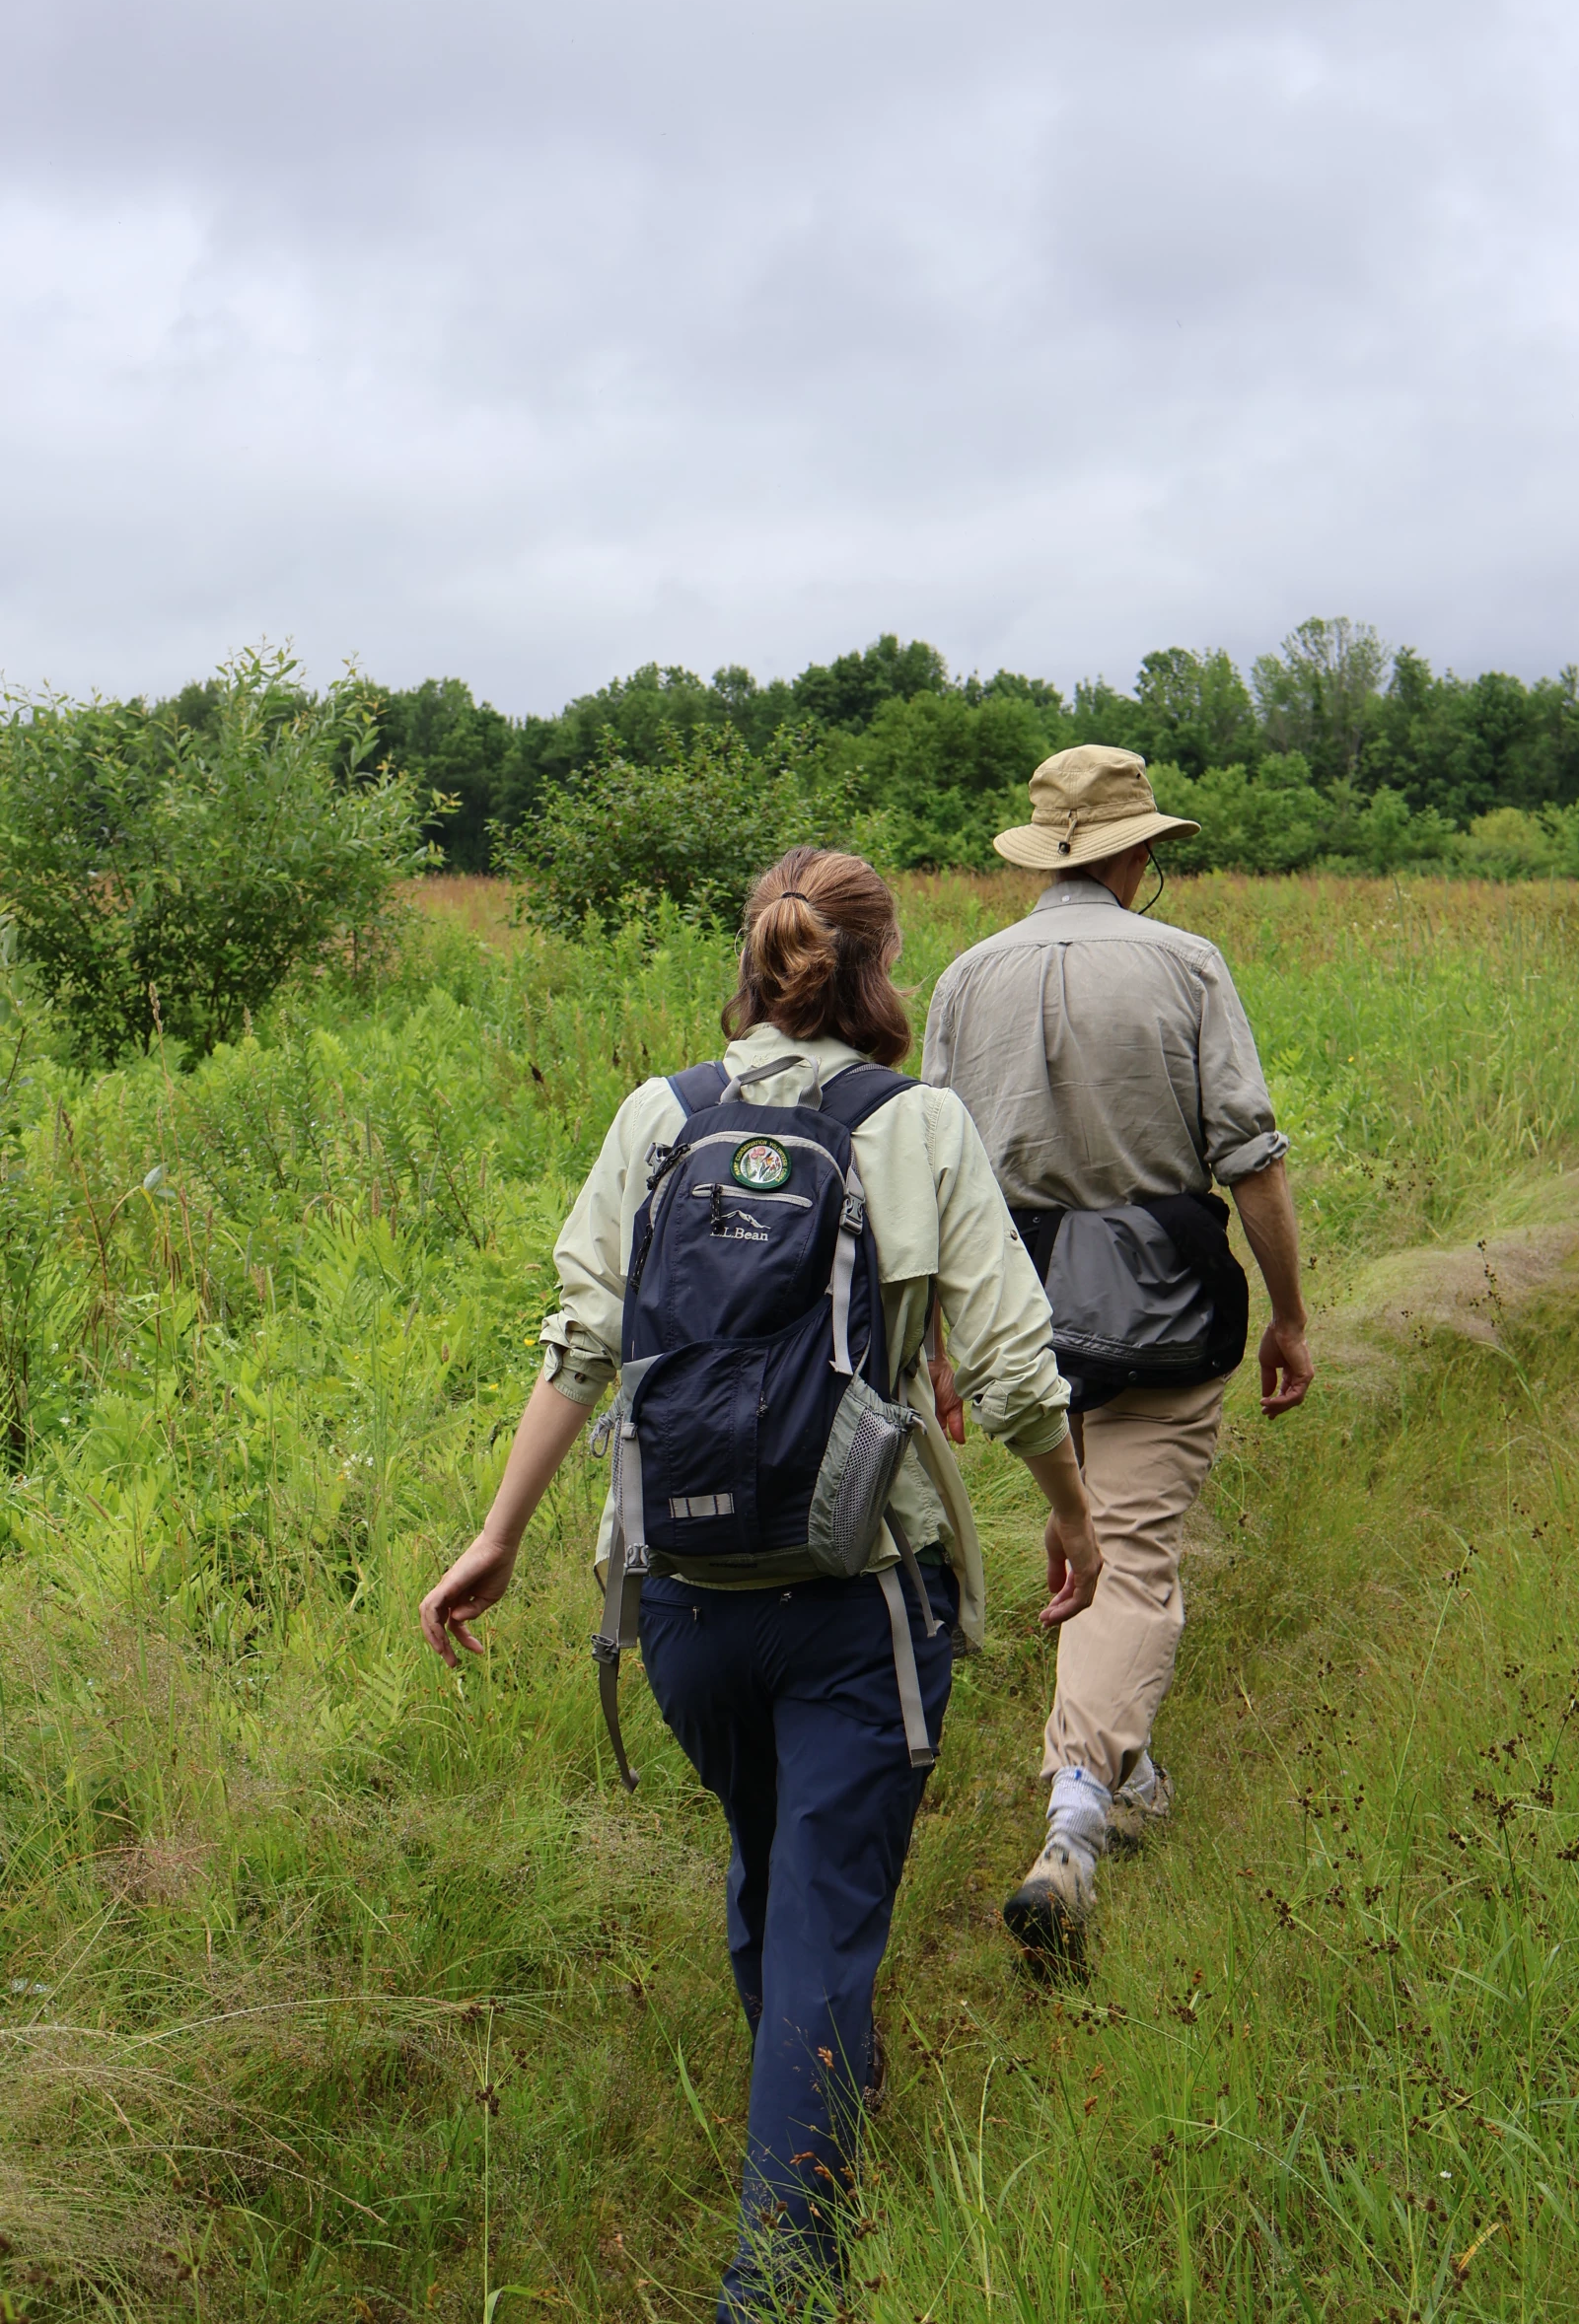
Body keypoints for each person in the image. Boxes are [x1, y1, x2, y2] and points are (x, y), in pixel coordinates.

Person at [419, 845, 1100, 2321]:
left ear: (759, 959)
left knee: (772, 1862)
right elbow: (1009, 1366)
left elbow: (577, 1341)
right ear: (877, 967)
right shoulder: (915, 1123)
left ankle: (820, 2105)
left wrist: (499, 1534)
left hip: (679, 1603)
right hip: (862, 1599)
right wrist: (1073, 1517)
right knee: (822, 1913)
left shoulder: (658, 1119)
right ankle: (779, 2277)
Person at [922, 745, 1315, 1967]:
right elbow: (1246, 1156)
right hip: (1159, 1295)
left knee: (1087, 1525)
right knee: (1131, 1554)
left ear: (1046, 855)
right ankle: (1073, 1825)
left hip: (1012, 1303)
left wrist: (938, 1347)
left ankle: (1127, 1770)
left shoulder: (961, 978)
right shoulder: (1185, 964)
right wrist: (1291, 1316)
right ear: (1133, 853)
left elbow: (929, 1182)